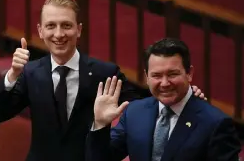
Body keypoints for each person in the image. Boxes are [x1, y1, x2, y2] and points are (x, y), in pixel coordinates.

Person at [0, 0, 205, 161]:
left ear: (79, 30)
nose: (59, 34)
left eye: (67, 25)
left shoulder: (103, 72)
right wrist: (12, 75)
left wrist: (183, 98)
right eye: (51, 26)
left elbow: (145, 103)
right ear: (40, 31)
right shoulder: (31, 73)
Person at [86, 38, 241, 161]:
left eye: (172, 74)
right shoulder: (134, 112)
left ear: (189, 73)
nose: (165, 83)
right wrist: (100, 124)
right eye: (157, 75)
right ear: (147, 77)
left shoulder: (216, 123)